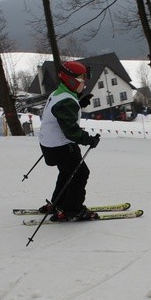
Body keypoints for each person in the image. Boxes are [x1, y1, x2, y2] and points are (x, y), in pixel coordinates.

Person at [38, 60, 101, 221]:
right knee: (80, 174)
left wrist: (79, 103)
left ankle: (58, 203)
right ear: (71, 81)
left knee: (67, 172)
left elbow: (63, 113)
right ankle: (72, 209)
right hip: (61, 147)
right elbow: (71, 131)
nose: (85, 84)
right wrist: (89, 139)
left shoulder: (59, 93)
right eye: (82, 81)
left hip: (50, 145)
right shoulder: (66, 101)